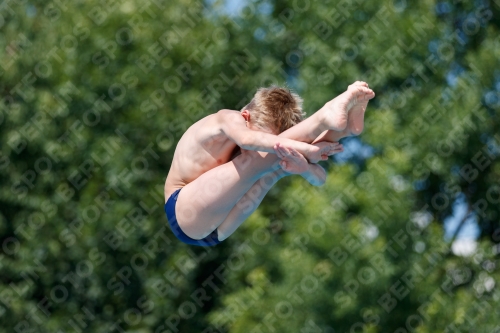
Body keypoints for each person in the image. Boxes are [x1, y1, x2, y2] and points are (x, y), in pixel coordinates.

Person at [164, 81, 375, 246]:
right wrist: (308, 149)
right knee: (262, 158)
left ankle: (343, 130)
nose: (261, 148)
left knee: (275, 163)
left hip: (217, 232)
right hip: (184, 210)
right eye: (263, 141)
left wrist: (304, 167)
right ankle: (323, 117)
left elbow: (320, 179)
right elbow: (249, 140)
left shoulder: (261, 150)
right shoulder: (226, 119)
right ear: (246, 115)